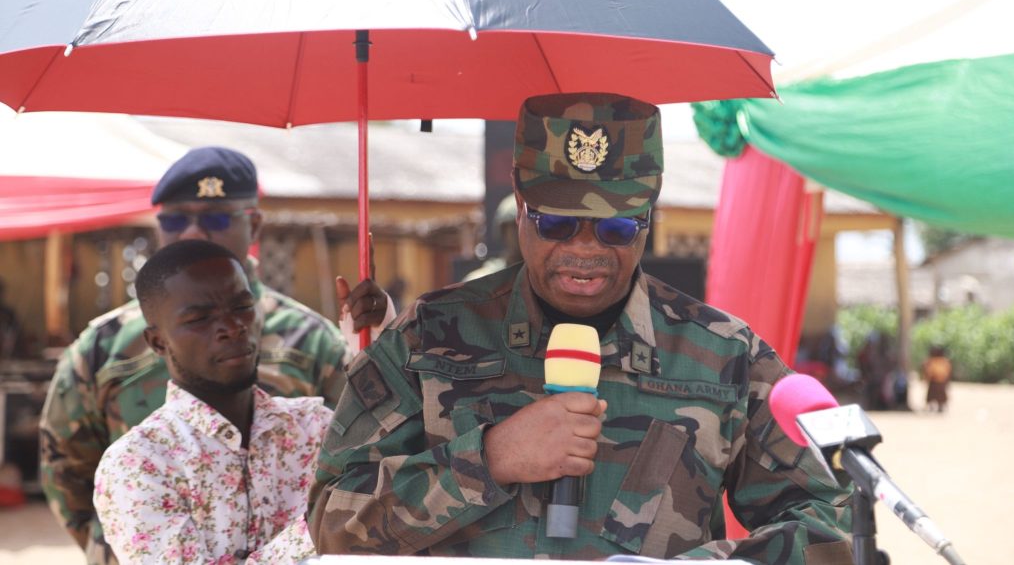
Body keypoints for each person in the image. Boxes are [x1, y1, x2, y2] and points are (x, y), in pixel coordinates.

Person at [308, 93, 853, 563]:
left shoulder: (724, 354)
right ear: (520, 206)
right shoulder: (428, 337)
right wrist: (488, 459)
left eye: (617, 226)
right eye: (558, 222)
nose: (585, 250)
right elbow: (330, 521)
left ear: (649, 214)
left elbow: (831, 523)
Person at [40, 146, 394, 565]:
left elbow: (378, 455)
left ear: (255, 225)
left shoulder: (311, 382)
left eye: (215, 219)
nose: (193, 232)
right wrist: (111, 547)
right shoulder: (109, 361)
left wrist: (381, 342)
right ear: (158, 341)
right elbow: (64, 463)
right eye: (175, 219)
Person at [95, 239, 325, 563]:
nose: (232, 328)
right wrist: (318, 533)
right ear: (158, 342)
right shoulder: (139, 463)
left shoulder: (316, 428)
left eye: (242, 307)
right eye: (199, 319)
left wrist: (385, 334)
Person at [462, 192, 523, 281]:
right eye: (515, 226)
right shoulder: (482, 282)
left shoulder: (544, 281)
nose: (521, 232)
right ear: (503, 231)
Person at [922, 345, 952, 413]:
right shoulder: (931, 361)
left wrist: (946, 381)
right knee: (931, 395)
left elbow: (948, 371)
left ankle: (940, 406)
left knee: (941, 396)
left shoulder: (944, 361)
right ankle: (931, 406)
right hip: (933, 380)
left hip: (941, 381)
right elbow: (927, 370)